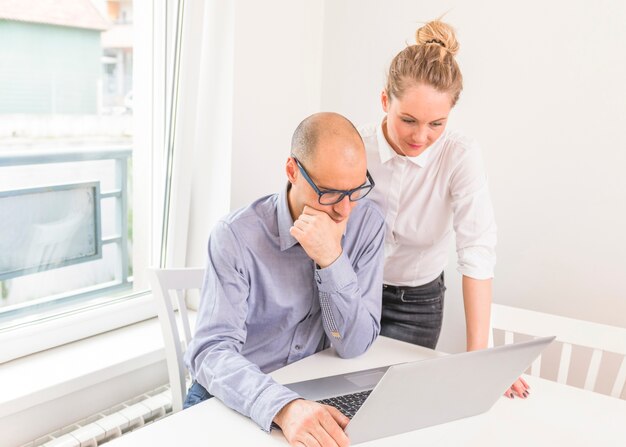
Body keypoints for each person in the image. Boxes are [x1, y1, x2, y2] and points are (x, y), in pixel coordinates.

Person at [184, 112, 385, 447]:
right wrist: (284, 406)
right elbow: (211, 351)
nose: (345, 210)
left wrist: (332, 260)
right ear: (292, 171)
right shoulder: (234, 236)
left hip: (311, 391)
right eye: (331, 193)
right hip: (232, 395)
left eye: (355, 189)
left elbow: (355, 345)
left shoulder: (367, 225)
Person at [359, 20, 529, 399]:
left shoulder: (460, 155)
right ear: (385, 101)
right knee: (337, 397)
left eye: (437, 123)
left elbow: (477, 252)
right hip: (352, 293)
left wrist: (479, 358)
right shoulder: (356, 146)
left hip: (415, 305)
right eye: (408, 120)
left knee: (397, 404)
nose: (421, 137)